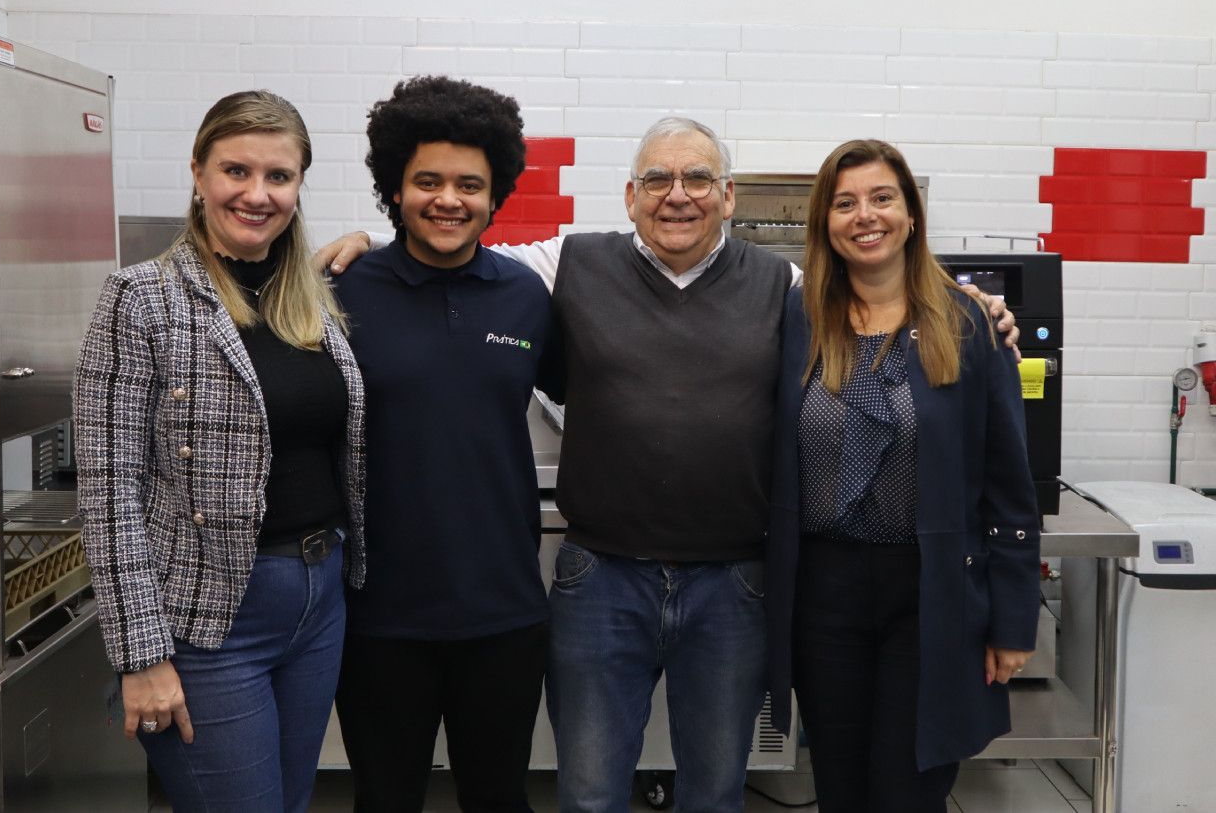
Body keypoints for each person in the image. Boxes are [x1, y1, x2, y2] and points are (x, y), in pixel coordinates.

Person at [319, 118, 1017, 812]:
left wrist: (972, 305)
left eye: (698, 179)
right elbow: (463, 252)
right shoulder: (572, 262)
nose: (676, 195)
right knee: (590, 794)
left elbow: (877, 289)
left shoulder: (785, 286)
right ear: (630, 196)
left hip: (733, 586)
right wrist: (370, 245)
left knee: (713, 793)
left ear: (729, 195)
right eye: (658, 179)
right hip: (601, 580)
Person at [73, 90, 366, 813]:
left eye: (279, 176)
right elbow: (108, 489)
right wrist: (140, 655)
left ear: (300, 186)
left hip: (318, 595)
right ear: (198, 173)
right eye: (236, 170)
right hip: (210, 619)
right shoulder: (141, 298)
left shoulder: (313, 302)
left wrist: (370, 239)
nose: (256, 194)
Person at [764, 139, 1041, 812]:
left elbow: (1010, 485)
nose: (866, 216)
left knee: (908, 788)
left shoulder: (968, 323)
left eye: (883, 198)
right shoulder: (796, 320)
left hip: (930, 593)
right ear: (826, 222)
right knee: (839, 782)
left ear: (912, 214)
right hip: (822, 593)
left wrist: (1013, 621)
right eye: (846, 202)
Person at [330, 76, 560, 813]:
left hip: (502, 612)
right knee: (385, 798)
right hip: (378, 616)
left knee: (498, 797)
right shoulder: (343, 290)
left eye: (469, 184)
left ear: (496, 196)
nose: (448, 199)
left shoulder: (526, 296)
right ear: (394, 188)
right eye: (427, 180)